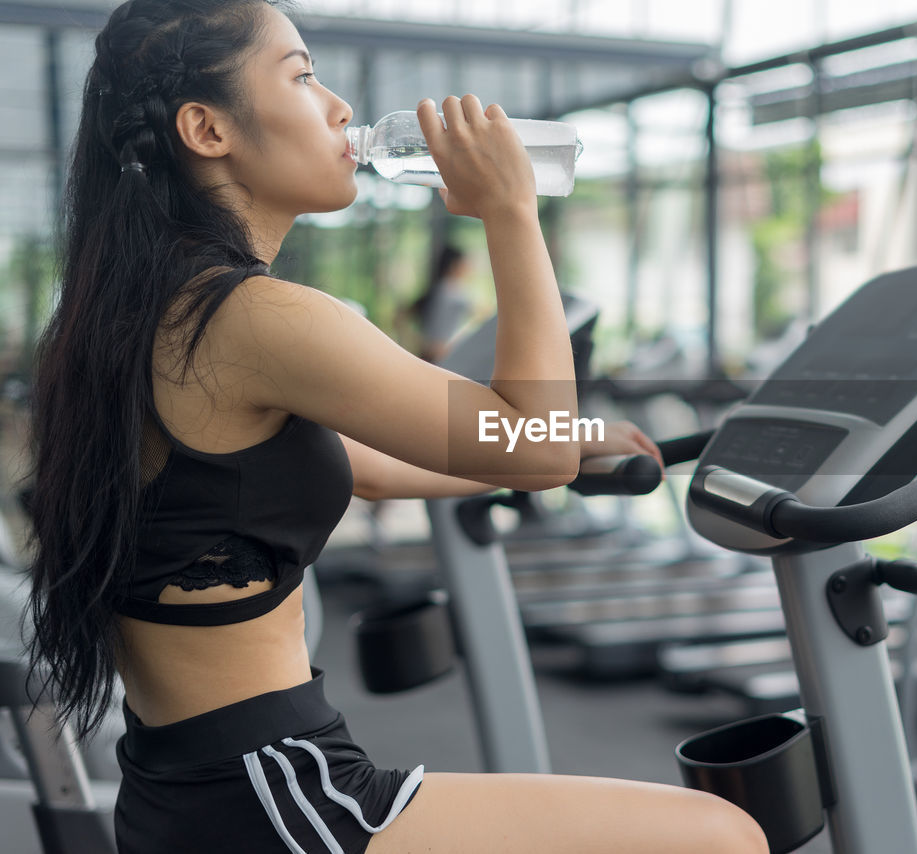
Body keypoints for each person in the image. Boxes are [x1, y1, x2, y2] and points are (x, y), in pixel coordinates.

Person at [22, 2, 768, 853]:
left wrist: (568, 449)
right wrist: (511, 213)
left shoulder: (149, 310)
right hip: (268, 796)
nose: (339, 106)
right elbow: (537, 440)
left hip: (192, 789)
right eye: (302, 76)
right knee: (720, 834)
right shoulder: (258, 318)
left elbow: (370, 463)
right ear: (206, 128)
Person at [409, 243, 473, 363]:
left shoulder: (440, 290)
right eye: (464, 263)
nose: (468, 267)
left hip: (434, 354)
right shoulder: (448, 291)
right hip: (439, 356)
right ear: (454, 265)